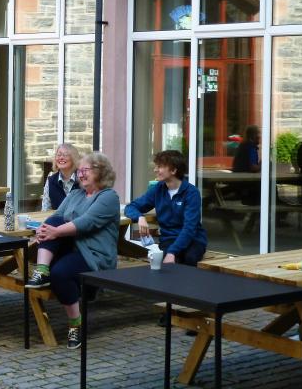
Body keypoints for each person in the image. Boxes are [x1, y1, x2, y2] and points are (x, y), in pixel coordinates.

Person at [25, 152, 120, 349]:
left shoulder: (108, 197)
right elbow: (57, 217)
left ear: (100, 172)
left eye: (85, 170)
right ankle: (41, 270)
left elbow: (87, 222)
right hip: (70, 247)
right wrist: (43, 230)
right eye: (80, 171)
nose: (81, 174)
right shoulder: (76, 194)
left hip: (94, 255)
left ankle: (76, 324)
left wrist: (53, 232)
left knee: (60, 274)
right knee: (54, 220)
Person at [125, 150, 207, 266]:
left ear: (173, 170)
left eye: (160, 167)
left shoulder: (191, 193)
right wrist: (139, 217)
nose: (155, 170)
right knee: (162, 265)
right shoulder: (158, 189)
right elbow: (131, 207)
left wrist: (172, 252)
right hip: (168, 239)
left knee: (189, 259)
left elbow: (189, 228)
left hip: (192, 240)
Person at [41, 143, 80, 211]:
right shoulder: (51, 180)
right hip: (56, 221)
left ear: (73, 158)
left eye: (65, 155)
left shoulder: (82, 178)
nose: (61, 158)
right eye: (58, 155)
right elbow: (45, 209)